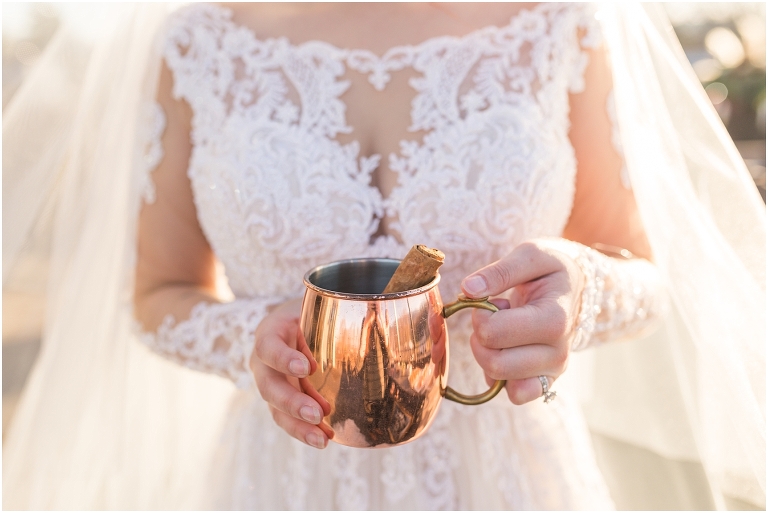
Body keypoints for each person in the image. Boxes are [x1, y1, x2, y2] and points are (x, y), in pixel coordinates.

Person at [3, 3, 764, 510]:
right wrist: (254, 341)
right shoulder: (200, 42)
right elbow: (158, 293)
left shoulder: (559, 22)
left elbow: (639, 268)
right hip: (288, 476)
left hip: (506, 474)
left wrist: (583, 290)